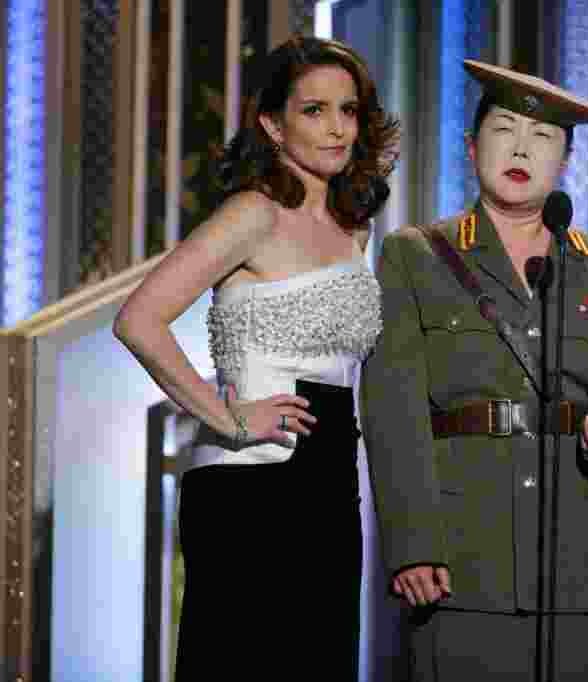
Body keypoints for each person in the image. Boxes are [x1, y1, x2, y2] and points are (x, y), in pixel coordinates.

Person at [361, 60, 588, 681]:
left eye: (544, 137)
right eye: (504, 129)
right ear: (472, 148)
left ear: (565, 162)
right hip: (461, 563)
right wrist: (413, 546)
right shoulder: (414, 256)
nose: (522, 147)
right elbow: (394, 413)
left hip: (576, 567)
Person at [113, 36, 398, 679]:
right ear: (272, 123)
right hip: (251, 484)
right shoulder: (252, 213)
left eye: (348, 111)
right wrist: (228, 417)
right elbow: (138, 319)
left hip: (330, 482)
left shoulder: (355, 226)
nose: (336, 129)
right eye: (314, 111)